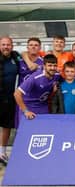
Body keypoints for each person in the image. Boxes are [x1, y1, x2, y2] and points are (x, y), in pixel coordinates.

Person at [14, 54, 60, 119]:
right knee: (28, 129)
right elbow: (17, 94)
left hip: (43, 106)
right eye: (50, 65)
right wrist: (26, 111)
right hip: (29, 106)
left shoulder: (57, 75)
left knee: (44, 128)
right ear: (44, 66)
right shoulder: (35, 77)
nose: (52, 68)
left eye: (55, 66)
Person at [0, 36, 21, 165]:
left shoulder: (15, 57)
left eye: (8, 44)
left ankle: (2, 153)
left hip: (11, 98)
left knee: (7, 126)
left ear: (12, 46)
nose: (6, 47)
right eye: (3, 45)